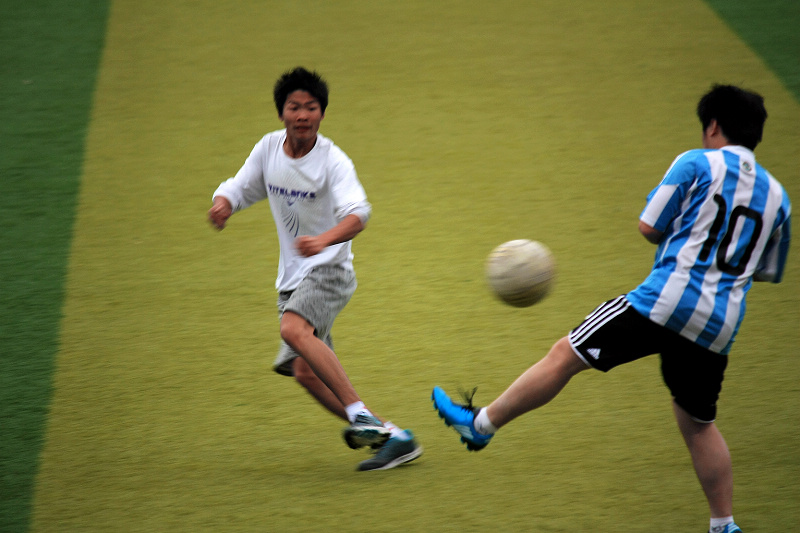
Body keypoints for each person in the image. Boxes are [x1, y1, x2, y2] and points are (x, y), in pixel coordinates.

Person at [432, 84, 791, 532]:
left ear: (713, 126)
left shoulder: (696, 163)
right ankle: (724, 525)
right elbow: (766, 271)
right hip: (719, 324)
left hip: (664, 302)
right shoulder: (779, 197)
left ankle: (481, 425)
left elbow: (649, 227)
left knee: (566, 354)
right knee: (699, 423)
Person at [209, 67, 421, 471]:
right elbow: (242, 186)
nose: (303, 115)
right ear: (281, 113)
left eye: (311, 107)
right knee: (305, 372)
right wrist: (224, 203)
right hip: (293, 278)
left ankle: (360, 415)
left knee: (292, 330)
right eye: (294, 107)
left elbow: (359, 213)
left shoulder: (333, 161)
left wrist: (324, 240)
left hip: (330, 271)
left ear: (322, 113)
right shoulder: (268, 149)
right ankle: (395, 438)